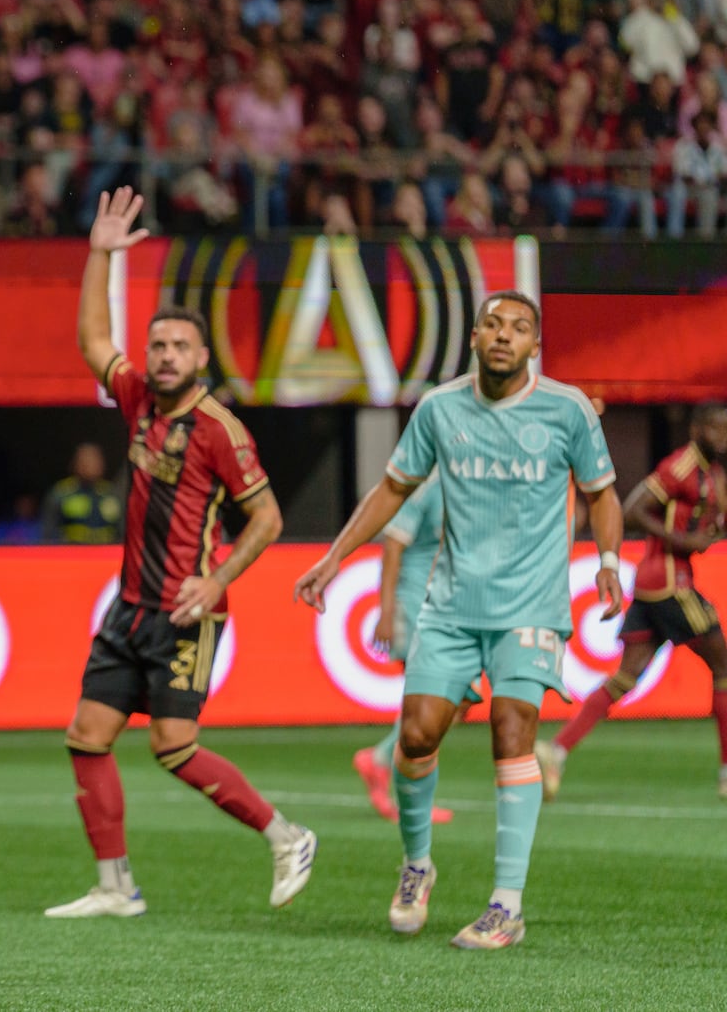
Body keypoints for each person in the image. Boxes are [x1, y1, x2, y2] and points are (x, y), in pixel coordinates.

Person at [295, 289, 624, 950]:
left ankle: (507, 903)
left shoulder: (566, 410)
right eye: (495, 325)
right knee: (416, 736)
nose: (506, 335)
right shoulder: (440, 408)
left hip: (530, 605)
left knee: (513, 729)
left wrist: (609, 559)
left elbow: (602, 492)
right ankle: (416, 864)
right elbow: (393, 487)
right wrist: (336, 556)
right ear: (474, 336)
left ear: (536, 345)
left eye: (520, 327)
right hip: (450, 606)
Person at [45, 188, 316, 920]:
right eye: (157, 345)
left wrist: (218, 577)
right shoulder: (137, 398)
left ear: (201, 358)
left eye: (178, 348)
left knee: (172, 745)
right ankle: (115, 885)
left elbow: (267, 516)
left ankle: (286, 834)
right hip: (129, 606)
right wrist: (101, 254)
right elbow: (95, 343)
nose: (163, 357)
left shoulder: (219, 429)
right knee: (86, 735)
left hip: (188, 613)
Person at [538, 403, 727, 801]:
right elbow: (633, 509)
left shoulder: (711, 474)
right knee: (724, 667)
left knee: (627, 676)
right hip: (670, 582)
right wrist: (686, 541)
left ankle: (555, 750)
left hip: (652, 584)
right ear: (696, 430)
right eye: (714, 428)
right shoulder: (679, 468)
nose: (721, 436)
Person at [354, 476, 473, 825]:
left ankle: (380, 759)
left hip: (449, 607)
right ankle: (410, 794)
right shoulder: (426, 486)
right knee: (432, 703)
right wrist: (387, 612)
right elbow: (393, 546)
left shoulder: (466, 482)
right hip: (417, 605)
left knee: (458, 700)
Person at [40, 442, 122, 545]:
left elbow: (122, 530)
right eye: (85, 460)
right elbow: (48, 532)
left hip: (107, 555)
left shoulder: (112, 494)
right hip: (71, 554)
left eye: (94, 459)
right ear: (75, 464)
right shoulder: (61, 493)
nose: (90, 464)